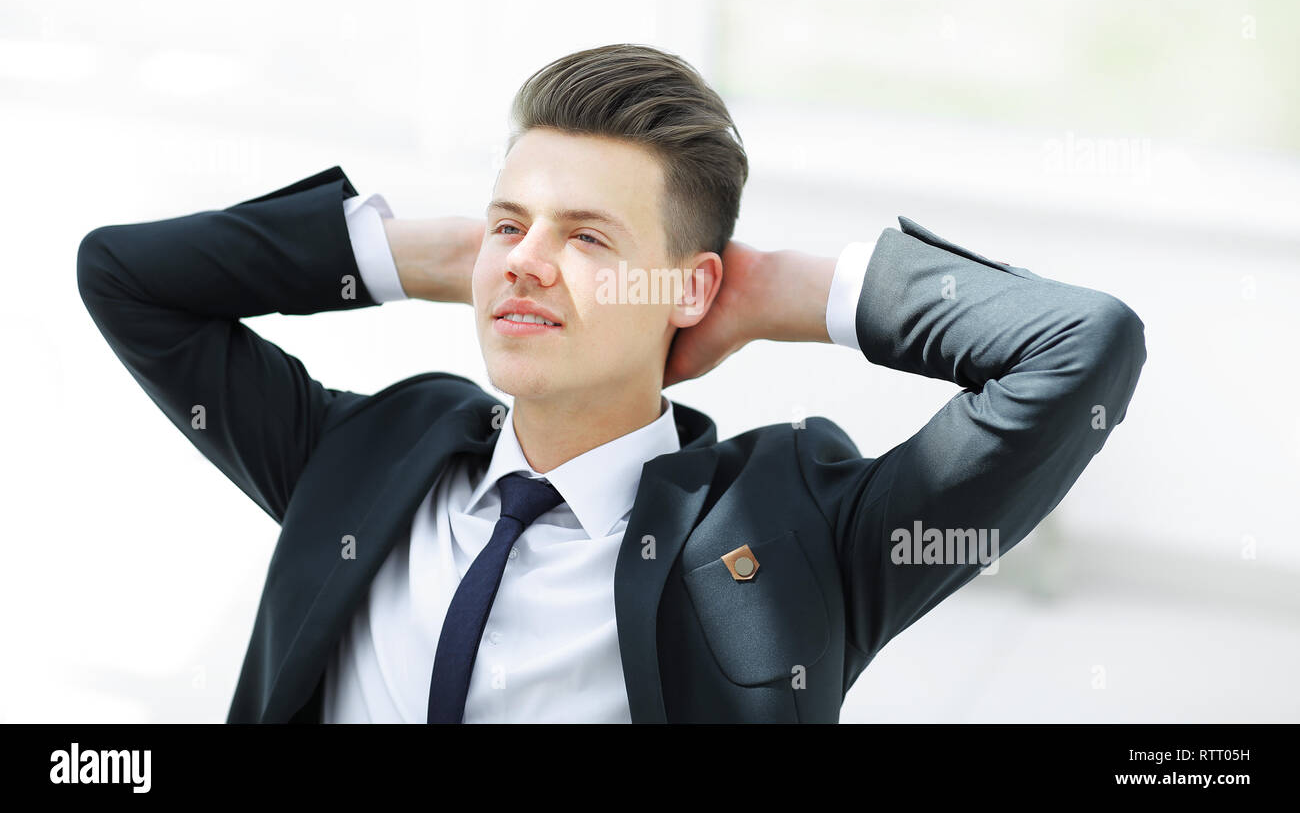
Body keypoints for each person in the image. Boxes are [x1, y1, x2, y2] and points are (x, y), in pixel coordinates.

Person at [76, 43, 1147, 723]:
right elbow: (127, 277)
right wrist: (429, 253)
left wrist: (779, 289)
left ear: (692, 285)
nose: (525, 259)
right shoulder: (362, 457)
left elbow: (1079, 347)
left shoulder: (796, 530)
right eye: (508, 224)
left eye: (588, 235)